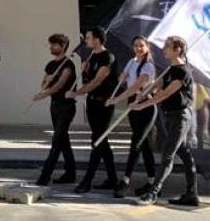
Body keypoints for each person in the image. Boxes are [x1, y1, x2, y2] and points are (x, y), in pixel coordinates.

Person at [133, 36, 199, 207]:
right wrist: (143, 92)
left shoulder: (183, 71)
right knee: (184, 154)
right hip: (170, 116)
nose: (163, 48)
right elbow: (157, 85)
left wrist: (143, 105)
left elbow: (166, 93)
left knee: (168, 155)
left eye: (167, 46)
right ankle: (192, 195)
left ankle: (153, 193)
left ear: (178, 50)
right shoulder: (170, 70)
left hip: (180, 117)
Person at [68, 27, 119, 193]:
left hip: (104, 104)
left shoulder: (107, 57)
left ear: (97, 39)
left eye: (89, 38)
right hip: (92, 102)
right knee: (101, 141)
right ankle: (113, 179)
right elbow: (89, 79)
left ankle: (87, 180)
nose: (86, 40)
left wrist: (76, 93)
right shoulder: (91, 56)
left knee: (97, 141)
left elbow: (97, 81)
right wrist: (84, 70)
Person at [108, 36, 158, 198]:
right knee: (144, 145)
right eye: (136, 45)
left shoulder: (148, 66)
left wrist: (116, 100)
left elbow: (136, 86)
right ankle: (152, 182)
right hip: (133, 102)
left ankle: (125, 180)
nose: (138, 48)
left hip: (145, 103)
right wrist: (121, 78)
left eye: (141, 46)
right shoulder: (131, 62)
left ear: (147, 47)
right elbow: (123, 78)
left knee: (136, 143)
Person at [32, 34, 77, 187]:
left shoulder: (68, 65)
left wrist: (43, 95)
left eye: (54, 45)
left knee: (57, 141)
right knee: (63, 140)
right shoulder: (51, 64)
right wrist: (47, 80)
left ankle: (45, 175)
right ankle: (71, 173)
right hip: (55, 106)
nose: (51, 47)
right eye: (50, 44)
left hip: (66, 106)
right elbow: (43, 83)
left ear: (62, 46)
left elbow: (60, 86)